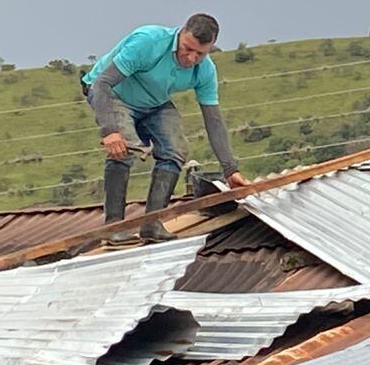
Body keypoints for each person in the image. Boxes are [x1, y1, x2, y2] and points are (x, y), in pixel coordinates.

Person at [82, 13, 249, 242]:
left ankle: (152, 224)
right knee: (123, 147)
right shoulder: (148, 42)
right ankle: (114, 228)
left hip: (154, 101)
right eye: (187, 48)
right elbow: (101, 84)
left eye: (199, 54)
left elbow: (214, 120)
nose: (190, 58)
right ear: (181, 34)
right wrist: (110, 130)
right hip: (113, 93)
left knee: (175, 149)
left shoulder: (205, 70)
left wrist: (231, 170)